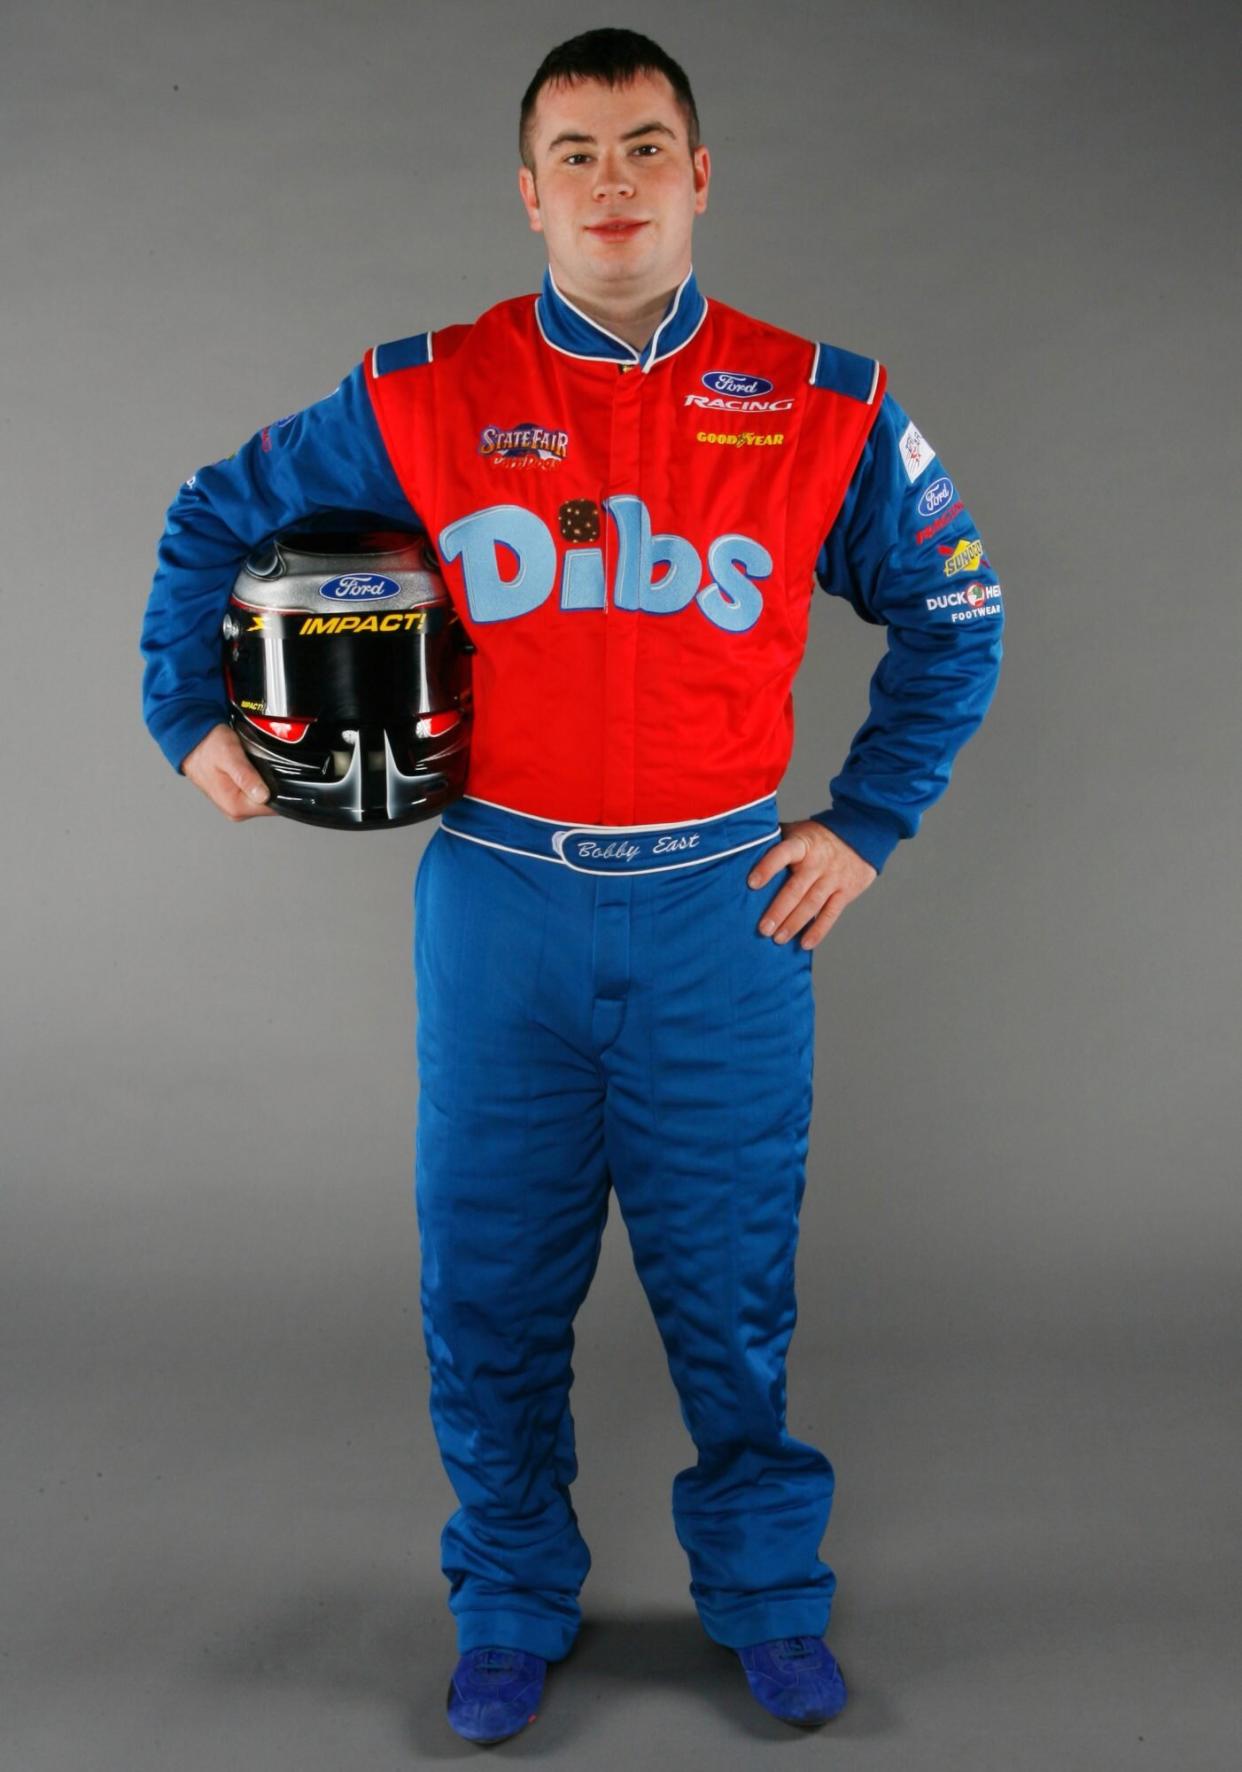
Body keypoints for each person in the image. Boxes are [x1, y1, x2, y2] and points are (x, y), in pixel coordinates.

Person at [140, 27, 1004, 1745]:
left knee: (731, 1291)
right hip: (499, 907)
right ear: (527, 191)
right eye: (578, 154)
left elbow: (954, 612)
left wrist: (867, 822)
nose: (614, 183)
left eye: (645, 147)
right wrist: (190, 716)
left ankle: (765, 1597)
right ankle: (510, 1599)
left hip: (722, 916)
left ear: (700, 177)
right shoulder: (420, 389)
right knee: (486, 1287)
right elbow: (209, 515)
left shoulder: (825, 399)